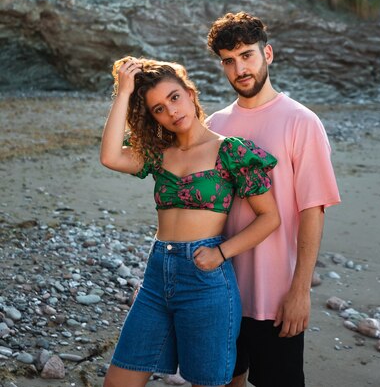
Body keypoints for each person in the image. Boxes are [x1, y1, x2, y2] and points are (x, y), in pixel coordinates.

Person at [100, 56, 280, 387]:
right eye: (158, 109)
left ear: (190, 94)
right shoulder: (157, 153)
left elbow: (269, 217)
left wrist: (221, 253)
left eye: (174, 98)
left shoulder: (230, 151)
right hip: (157, 277)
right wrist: (123, 92)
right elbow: (109, 156)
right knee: (117, 381)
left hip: (206, 280)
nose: (171, 112)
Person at [206, 12, 341, 387]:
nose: (240, 69)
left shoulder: (302, 121)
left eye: (247, 55)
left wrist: (300, 292)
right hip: (221, 290)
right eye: (229, 61)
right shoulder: (214, 125)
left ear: (268, 53)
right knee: (224, 380)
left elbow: (312, 211)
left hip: (275, 297)